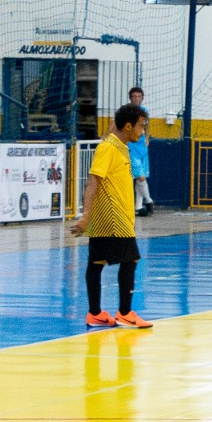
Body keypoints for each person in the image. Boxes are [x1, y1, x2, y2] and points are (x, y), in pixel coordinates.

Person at [70, 103, 153, 329]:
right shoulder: (108, 148)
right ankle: (125, 313)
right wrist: (85, 216)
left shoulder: (120, 146)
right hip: (113, 218)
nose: (143, 131)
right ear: (128, 126)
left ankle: (95, 313)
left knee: (96, 263)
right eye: (141, 126)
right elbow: (93, 181)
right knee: (131, 259)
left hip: (108, 218)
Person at [126, 86, 154, 216]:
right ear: (130, 98)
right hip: (131, 147)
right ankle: (149, 201)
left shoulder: (144, 111)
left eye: (139, 96)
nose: (137, 98)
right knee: (140, 176)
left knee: (140, 177)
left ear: (142, 98)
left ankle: (138, 206)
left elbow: (147, 126)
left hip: (142, 146)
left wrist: (147, 138)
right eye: (134, 96)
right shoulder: (126, 111)